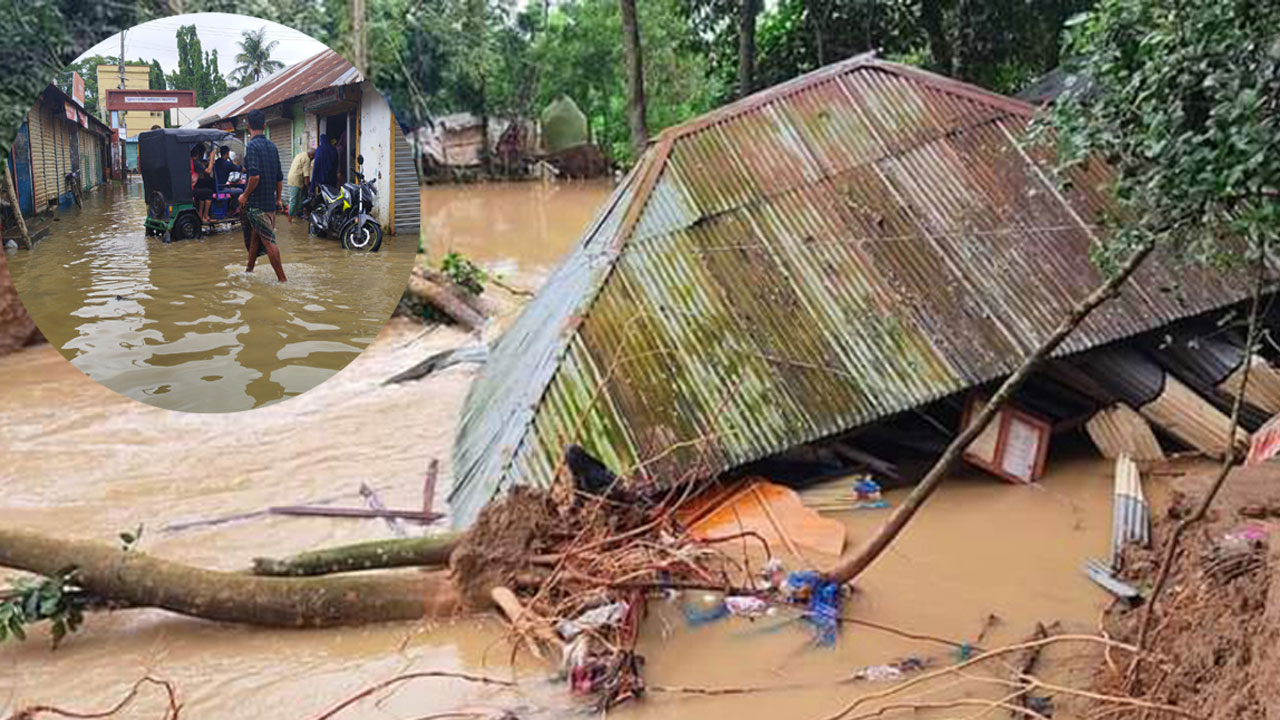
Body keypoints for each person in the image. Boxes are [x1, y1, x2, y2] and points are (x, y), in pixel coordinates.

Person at [239, 109, 287, 282]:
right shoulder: (272, 147)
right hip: (269, 203)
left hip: (256, 204)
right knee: (255, 236)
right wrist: (278, 199)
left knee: (268, 240)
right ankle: (249, 270)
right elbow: (279, 178)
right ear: (265, 126)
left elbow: (254, 176)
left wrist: (244, 196)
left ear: (248, 126)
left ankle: (282, 280)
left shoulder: (251, 146)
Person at [285, 147, 314, 224]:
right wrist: (308, 188)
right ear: (311, 156)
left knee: (299, 199)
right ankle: (289, 219)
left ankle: (295, 217)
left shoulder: (301, 154)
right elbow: (306, 176)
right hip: (296, 180)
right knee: (294, 200)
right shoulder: (307, 159)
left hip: (291, 177)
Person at [190, 142, 215, 225]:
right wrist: (212, 158)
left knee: (202, 191)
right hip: (191, 190)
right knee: (209, 192)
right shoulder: (196, 162)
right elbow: (209, 171)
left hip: (190, 188)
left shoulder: (189, 161)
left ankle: (200, 215)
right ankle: (206, 216)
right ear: (198, 154)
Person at [309, 133, 338, 197]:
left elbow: (316, 168)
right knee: (332, 197)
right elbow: (336, 166)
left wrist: (312, 189)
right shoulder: (334, 150)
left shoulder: (319, 150)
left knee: (323, 197)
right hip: (332, 179)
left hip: (322, 181)